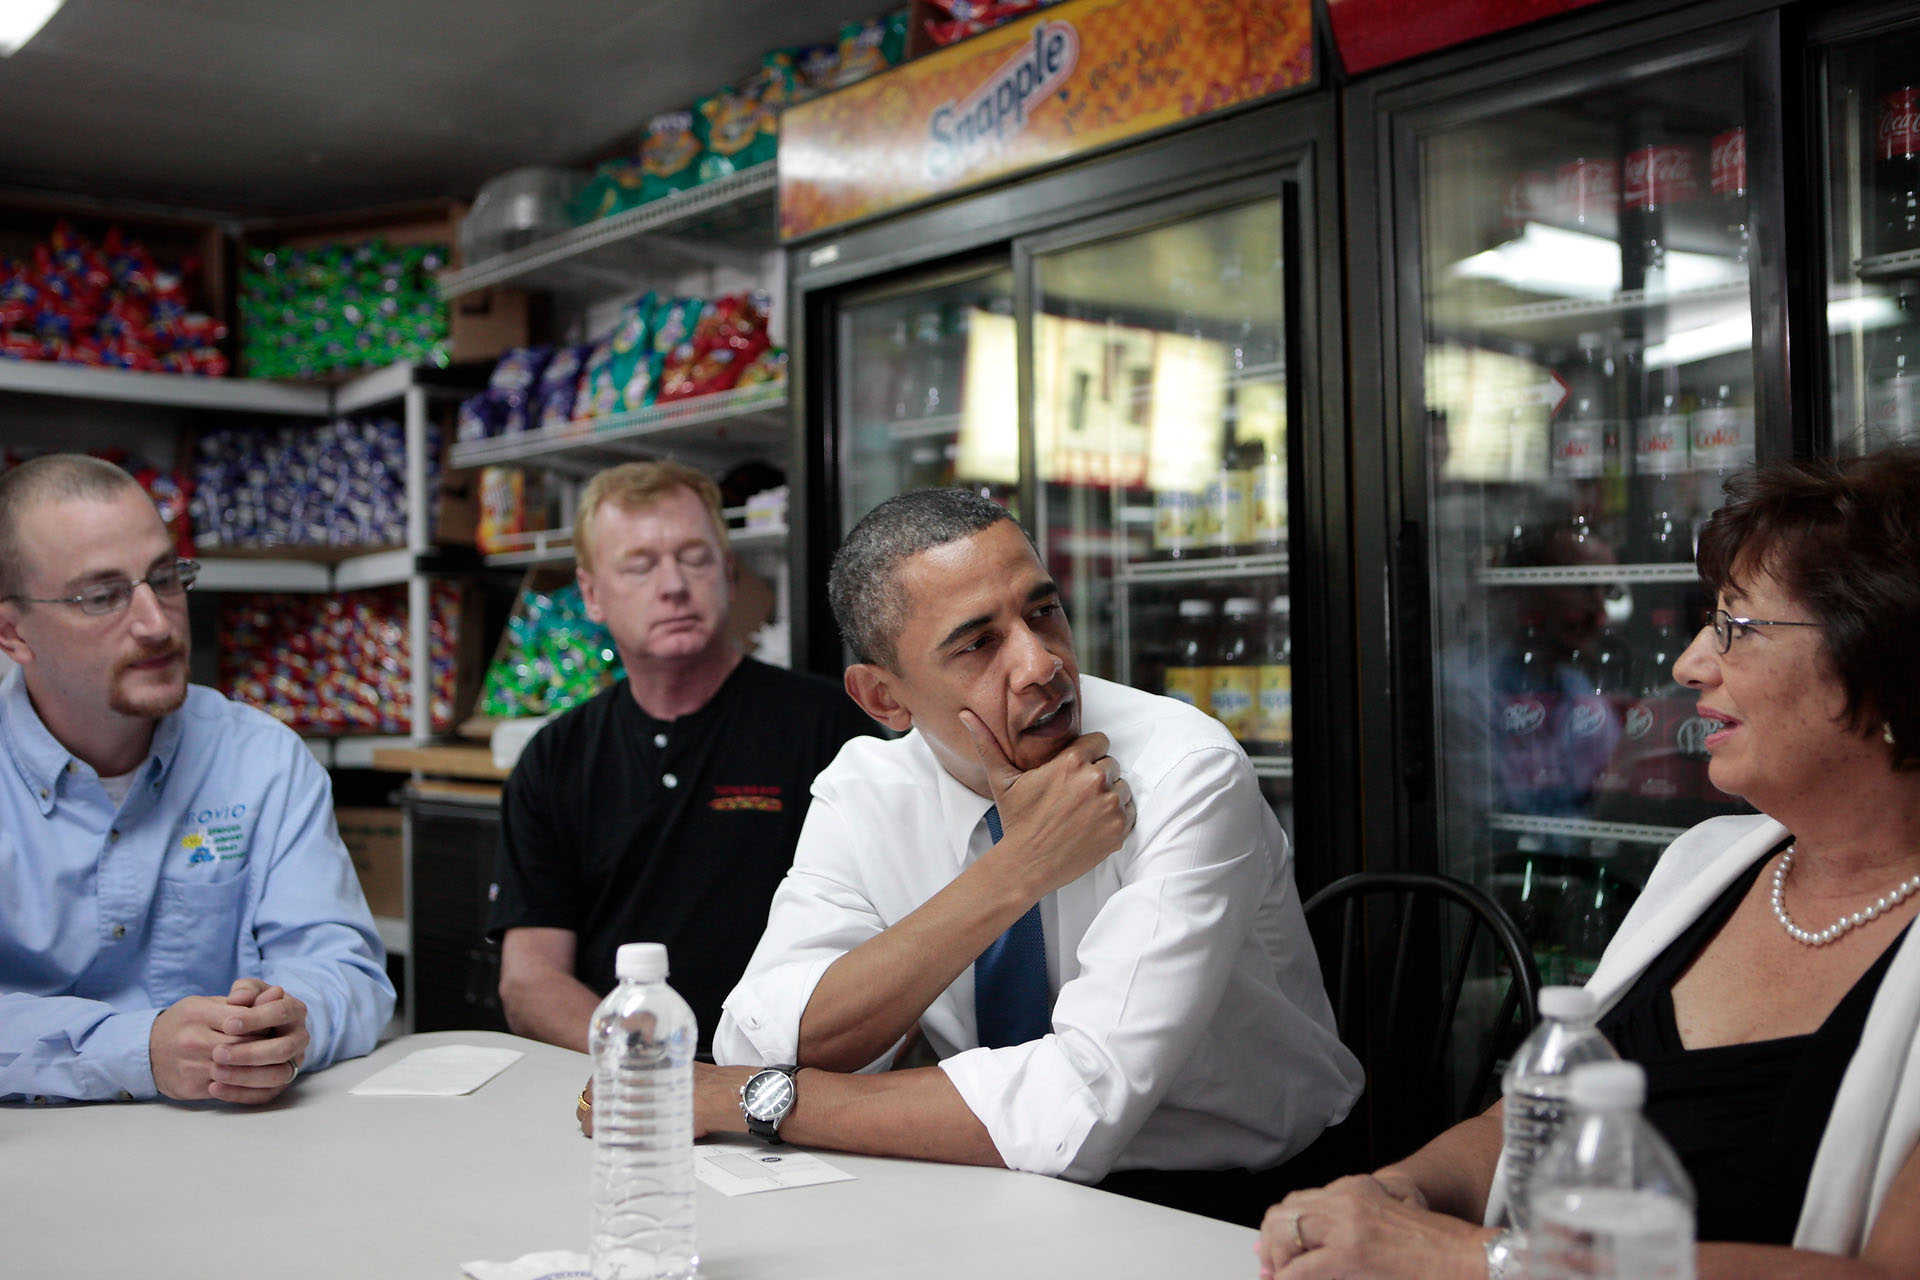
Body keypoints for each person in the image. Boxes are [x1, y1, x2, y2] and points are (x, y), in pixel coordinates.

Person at [1259, 447, 1920, 1278]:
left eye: (1736, 627)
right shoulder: (1705, 866)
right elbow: (1535, 1120)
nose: (1690, 664)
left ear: (1888, 661)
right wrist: (1393, 1196)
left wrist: (1471, 1260)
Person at [672, 488, 1359, 1222]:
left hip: (1230, 1201)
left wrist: (760, 1103)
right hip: (989, 1183)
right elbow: (761, 1035)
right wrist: (1016, 870)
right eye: (977, 644)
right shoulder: (866, 789)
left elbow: (1082, 1103)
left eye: (1043, 611)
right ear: (883, 699)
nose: (1041, 664)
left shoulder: (1185, 769)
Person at [0, 453, 394, 1105]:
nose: (156, 623)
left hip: (230, 1154)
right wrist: (138, 1047)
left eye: (167, 578)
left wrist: (291, 1023)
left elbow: (344, 967)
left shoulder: (262, 760)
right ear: (12, 632)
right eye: (102, 596)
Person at [488, 460, 874, 1054]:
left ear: (727, 571)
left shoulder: (832, 730)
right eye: (639, 565)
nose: (672, 585)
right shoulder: (555, 759)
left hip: (798, 1082)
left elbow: (893, 938)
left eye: (693, 557)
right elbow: (530, 979)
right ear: (591, 594)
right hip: (622, 1084)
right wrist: (651, 1066)